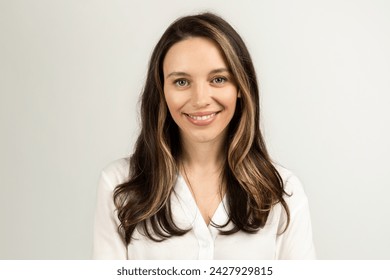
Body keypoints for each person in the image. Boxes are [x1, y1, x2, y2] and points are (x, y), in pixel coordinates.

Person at [93, 12, 316, 260]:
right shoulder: (118, 185)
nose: (200, 100)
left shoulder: (283, 191)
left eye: (218, 79)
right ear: (161, 91)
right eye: (181, 82)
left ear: (241, 87)